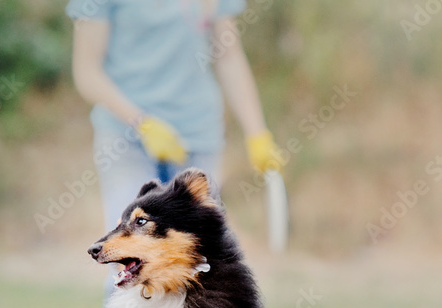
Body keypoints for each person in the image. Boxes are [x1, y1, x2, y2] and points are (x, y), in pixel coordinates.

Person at [68, 0, 283, 233]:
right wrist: (142, 123)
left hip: (198, 136)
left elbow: (228, 56)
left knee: (198, 256)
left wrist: (257, 133)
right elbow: (87, 72)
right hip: (125, 139)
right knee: (132, 249)